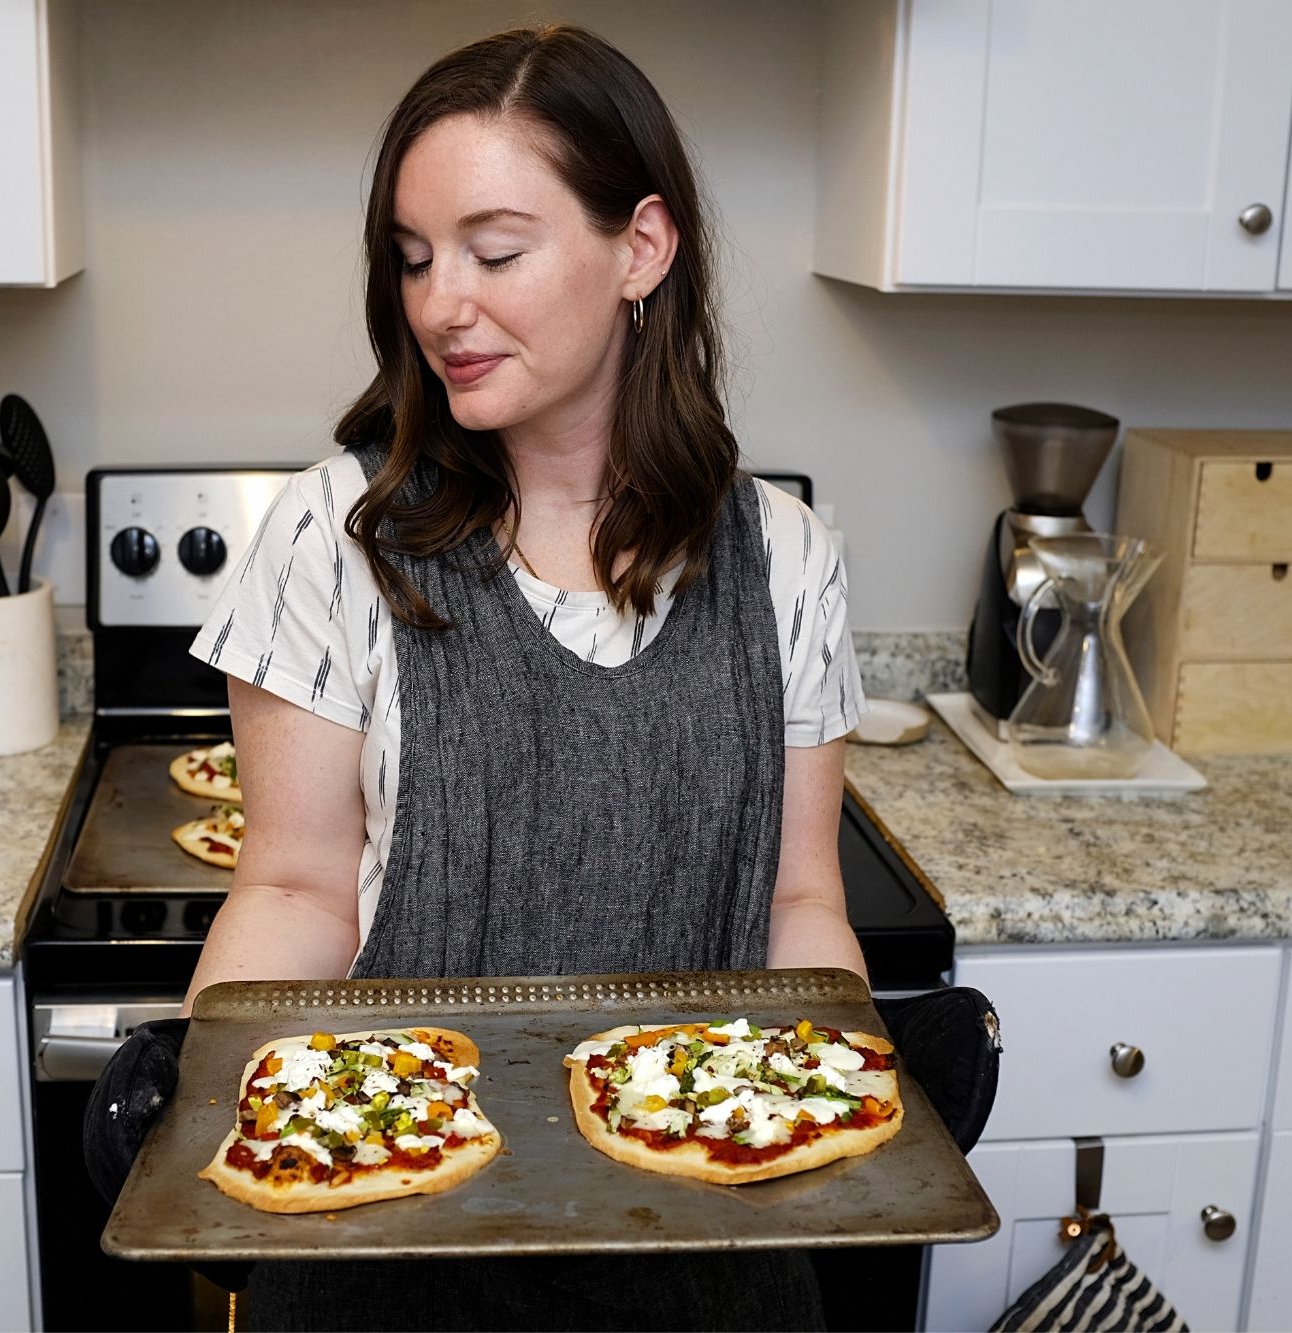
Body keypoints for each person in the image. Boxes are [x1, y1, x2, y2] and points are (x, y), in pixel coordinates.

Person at [181, 23, 863, 1330]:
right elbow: (294, 887)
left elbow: (798, 901)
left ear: (641, 250)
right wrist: (227, 1108)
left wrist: (841, 1089)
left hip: (709, 1268)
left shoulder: (786, 559)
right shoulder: (337, 537)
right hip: (391, 1262)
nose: (443, 302)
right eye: (416, 256)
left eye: (495, 252)